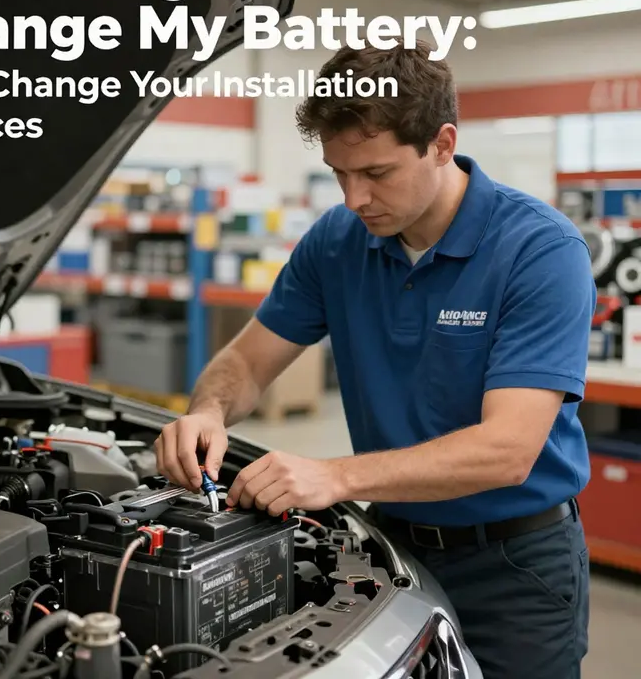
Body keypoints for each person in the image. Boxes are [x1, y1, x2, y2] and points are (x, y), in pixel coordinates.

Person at [154, 39, 595, 678]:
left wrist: (336, 477)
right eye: (340, 173)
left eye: (377, 173)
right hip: (390, 549)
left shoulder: (540, 251)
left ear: (442, 144)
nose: (354, 198)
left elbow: (508, 450)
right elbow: (246, 363)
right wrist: (208, 413)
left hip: (513, 566)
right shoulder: (337, 242)